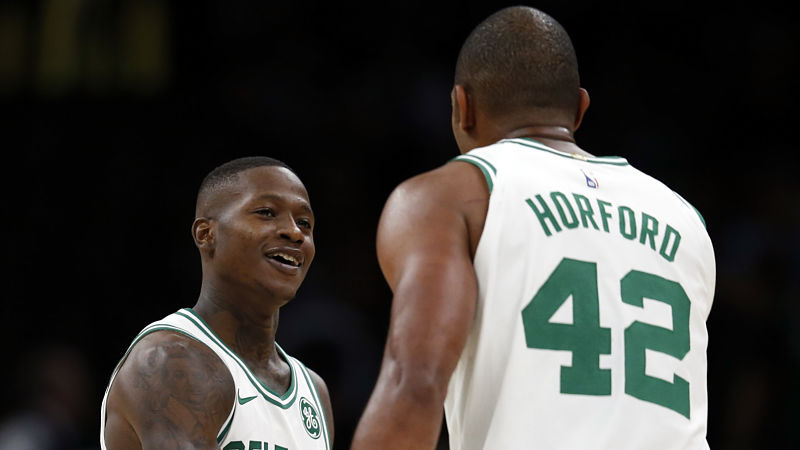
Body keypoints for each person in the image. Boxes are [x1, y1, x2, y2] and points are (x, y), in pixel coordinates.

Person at [351, 6, 714, 450]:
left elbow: (416, 381)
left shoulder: (448, 196)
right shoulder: (685, 219)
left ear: (462, 106)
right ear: (579, 110)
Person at [100, 157, 334, 450]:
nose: (294, 232)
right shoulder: (170, 361)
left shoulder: (314, 391)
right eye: (266, 213)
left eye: (305, 223)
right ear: (206, 234)